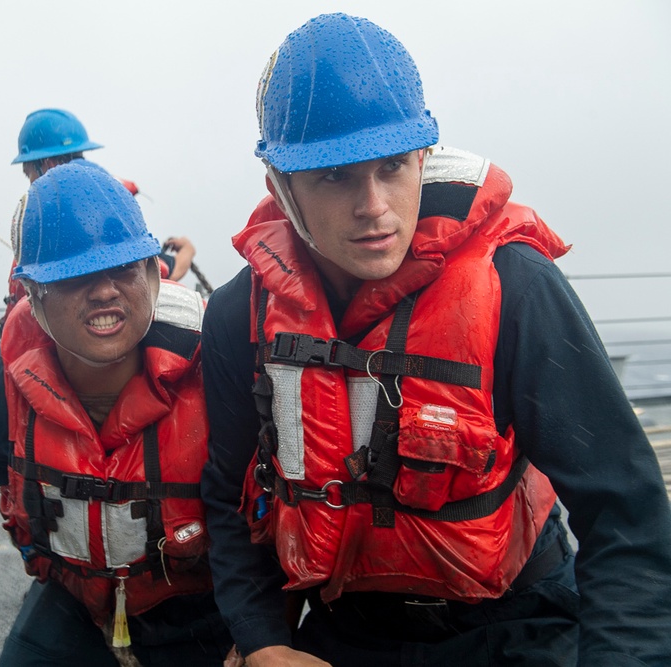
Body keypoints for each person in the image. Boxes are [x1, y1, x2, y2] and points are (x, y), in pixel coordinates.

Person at [199, 12, 671, 667]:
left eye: (392, 166)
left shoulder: (516, 288)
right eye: (334, 175)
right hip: (348, 629)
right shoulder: (238, 315)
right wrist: (263, 638)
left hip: (517, 625)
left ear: (423, 157)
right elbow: (228, 492)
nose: (374, 205)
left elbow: (624, 509)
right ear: (281, 185)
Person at [0, 160, 231, 666]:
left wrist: (258, 632)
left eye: (122, 268)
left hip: (201, 609)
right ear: (33, 296)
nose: (103, 290)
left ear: (152, 275)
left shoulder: (222, 376)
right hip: (75, 601)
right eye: (73, 275)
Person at [3, 108, 196, 322]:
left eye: (28, 173)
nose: (31, 183)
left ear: (46, 164)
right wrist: (187, 249)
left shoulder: (66, 215)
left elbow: (157, 272)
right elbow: (164, 269)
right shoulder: (108, 197)